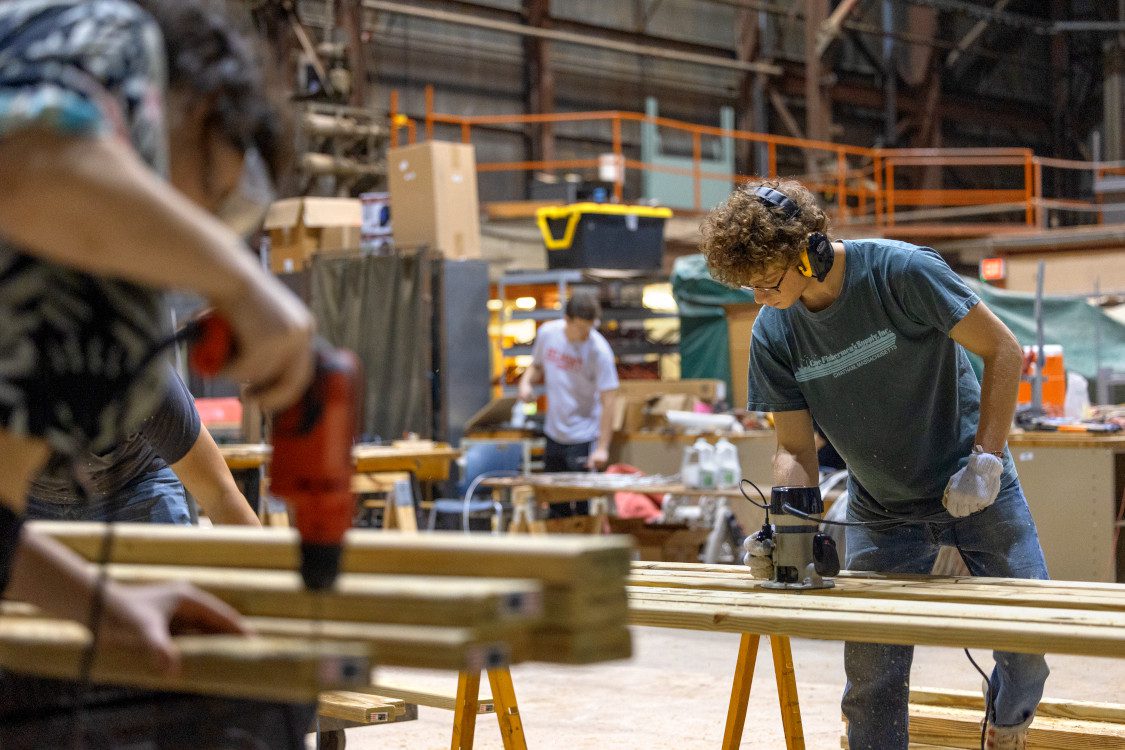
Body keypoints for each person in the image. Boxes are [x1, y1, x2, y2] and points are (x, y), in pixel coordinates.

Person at [0, 0, 315, 746]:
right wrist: (239, 283)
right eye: (208, 193)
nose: (186, 231)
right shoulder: (97, 35)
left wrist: (109, 607)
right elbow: (27, 156)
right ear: (191, 104)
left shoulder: (66, 308)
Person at [701, 179, 1049, 750]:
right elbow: (794, 448)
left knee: (1027, 643)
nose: (760, 298)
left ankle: (1006, 729)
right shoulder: (775, 331)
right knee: (871, 675)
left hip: (975, 482)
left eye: (769, 281)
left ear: (808, 250)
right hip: (881, 503)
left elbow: (1003, 349)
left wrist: (987, 458)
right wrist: (788, 531)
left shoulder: (902, 273)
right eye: (750, 286)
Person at [26, 363, 261, 526]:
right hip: (29, 494)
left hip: (137, 483)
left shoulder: (147, 380)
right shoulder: (13, 372)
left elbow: (220, 495)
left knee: (174, 589)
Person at [518, 292, 619, 518]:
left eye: (589, 328)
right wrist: (525, 384)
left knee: (582, 507)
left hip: (582, 435)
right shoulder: (548, 334)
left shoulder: (599, 351)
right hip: (554, 432)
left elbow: (609, 400)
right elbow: (536, 366)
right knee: (555, 504)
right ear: (567, 319)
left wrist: (602, 447)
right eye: (581, 328)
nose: (585, 333)